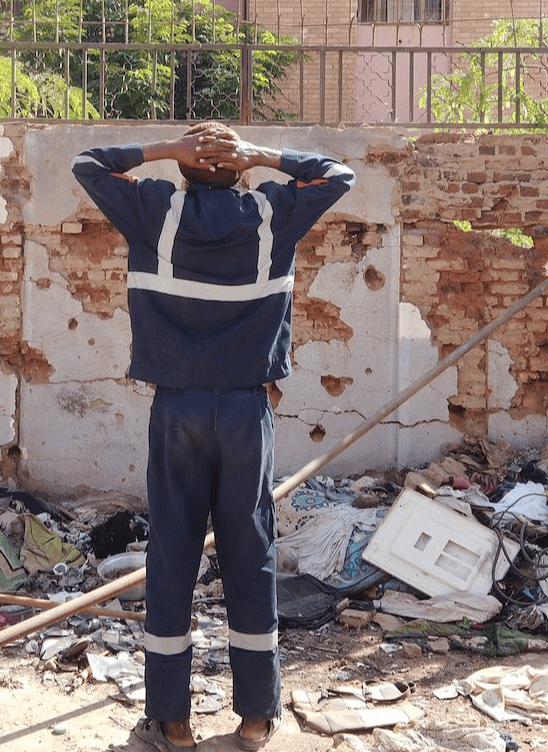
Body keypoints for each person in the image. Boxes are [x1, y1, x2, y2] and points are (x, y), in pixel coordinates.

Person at [72, 122, 355, 751]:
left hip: (177, 410)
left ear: (187, 168)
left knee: (172, 552)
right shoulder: (272, 212)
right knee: (248, 550)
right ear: (238, 169)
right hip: (245, 411)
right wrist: (265, 155)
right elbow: (339, 174)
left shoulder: (154, 210)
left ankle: (172, 722)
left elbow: (88, 164)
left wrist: (164, 149)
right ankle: (256, 718)